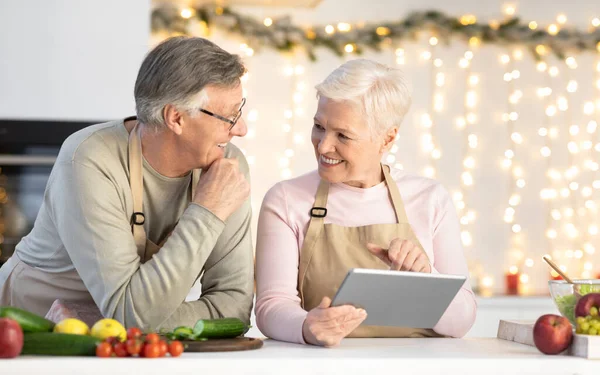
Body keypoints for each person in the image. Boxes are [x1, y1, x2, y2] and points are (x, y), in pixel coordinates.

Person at [0, 36, 254, 331]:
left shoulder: (227, 167)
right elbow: (130, 315)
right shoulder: (90, 158)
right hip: (26, 333)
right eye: (230, 116)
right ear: (176, 118)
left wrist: (102, 319)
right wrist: (208, 209)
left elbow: (234, 307)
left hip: (115, 339)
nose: (241, 129)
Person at [254, 59, 477, 347]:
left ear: (387, 139)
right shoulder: (286, 200)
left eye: (343, 135)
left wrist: (426, 277)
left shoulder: (429, 199)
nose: (323, 146)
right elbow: (271, 307)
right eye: (319, 126)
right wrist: (306, 326)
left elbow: (463, 320)